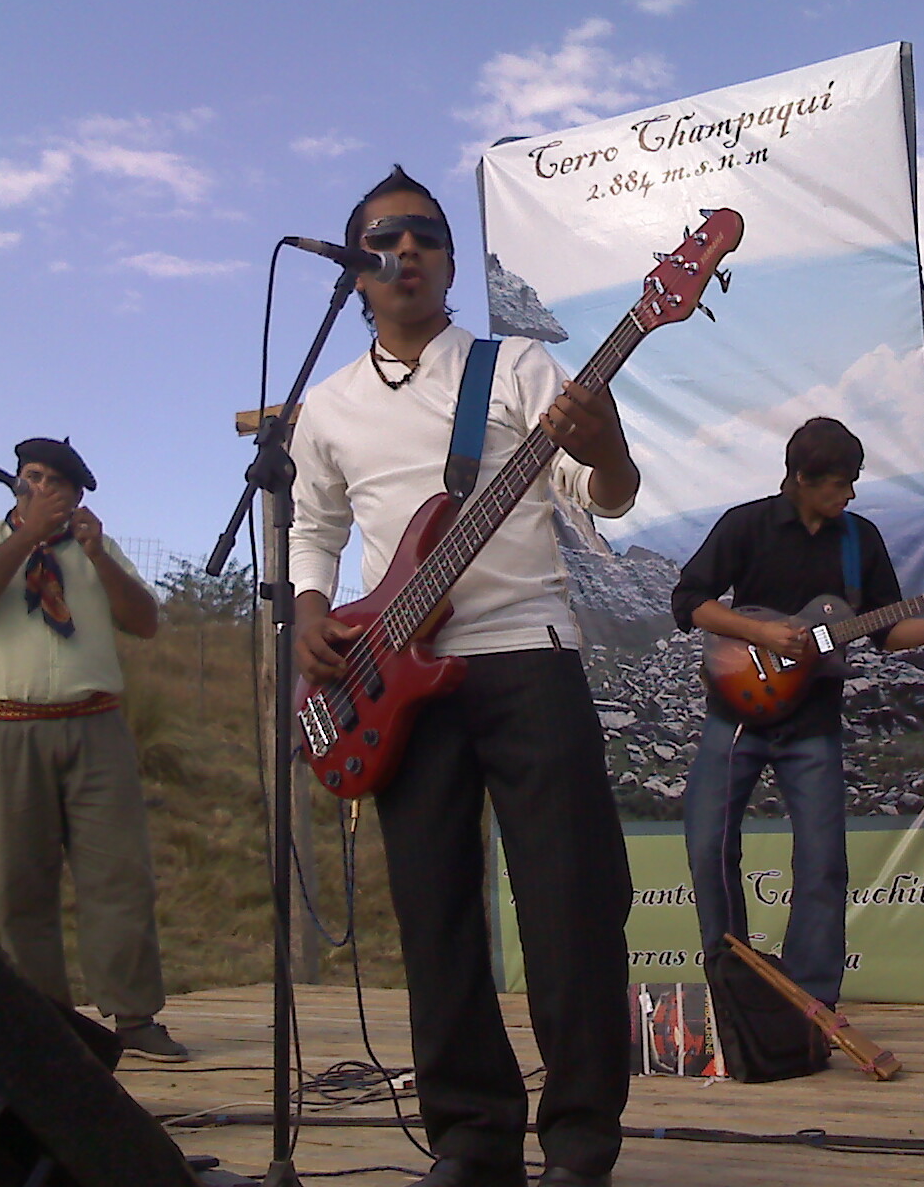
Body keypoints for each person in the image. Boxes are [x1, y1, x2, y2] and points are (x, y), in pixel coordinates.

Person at [289, 166, 636, 1187]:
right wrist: (310, 609)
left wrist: (605, 443)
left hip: (527, 655)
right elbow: (314, 530)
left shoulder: (516, 366)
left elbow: (603, 497)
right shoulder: (327, 406)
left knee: (569, 908)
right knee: (434, 914)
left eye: (427, 236)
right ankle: (471, 1138)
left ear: (446, 261)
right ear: (357, 269)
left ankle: (578, 1144)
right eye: (385, 237)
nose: (407, 250)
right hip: (392, 683)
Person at [670, 417, 924, 1008]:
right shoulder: (747, 524)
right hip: (733, 714)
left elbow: (886, 631)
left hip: (811, 723)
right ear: (800, 479)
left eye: (854, 481)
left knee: (821, 863)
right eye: (840, 483)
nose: (851, 494)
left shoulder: (858, 541)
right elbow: (689, 602)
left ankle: (811, 1005)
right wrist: (761, 631)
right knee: (709, 846)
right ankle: (733, 986)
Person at [0, 437, 187, 1062]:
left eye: (52, 481)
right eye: (30, 477)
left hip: (95, 727)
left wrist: (99, 556)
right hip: (7, 729)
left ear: (73, 497)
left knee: (118, 875)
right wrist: (25, 539)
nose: (37, 488)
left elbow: (145, 620)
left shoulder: (94, 552)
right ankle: (44, 1021)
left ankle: (133, 1016)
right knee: (22, 881)